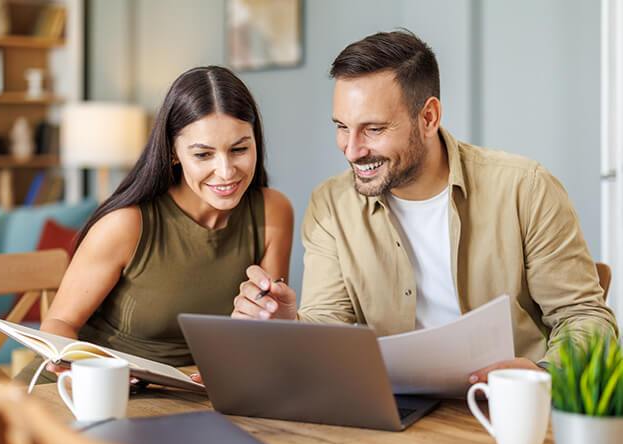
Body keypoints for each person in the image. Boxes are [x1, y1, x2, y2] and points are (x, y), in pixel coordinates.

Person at [231, 30, 617, 383]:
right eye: (342, 126)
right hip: (394, 412)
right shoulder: (330, 205)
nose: (351, 149)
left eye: (374, 129)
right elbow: (329, 321)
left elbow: (584, 317)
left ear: (428, 117)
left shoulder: (525, 188)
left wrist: (540, 374)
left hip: (509, 412)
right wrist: (289, 324)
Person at [18, 65, 293, 384]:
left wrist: (228, 364)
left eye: (239, 149)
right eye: (203, 155)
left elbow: (265, 330)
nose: (226, 170)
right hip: (89, 388)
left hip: (189, 394)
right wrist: (84, 367)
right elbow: (59, 323)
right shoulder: (126, 224)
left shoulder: (273, 211)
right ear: (174, 153)